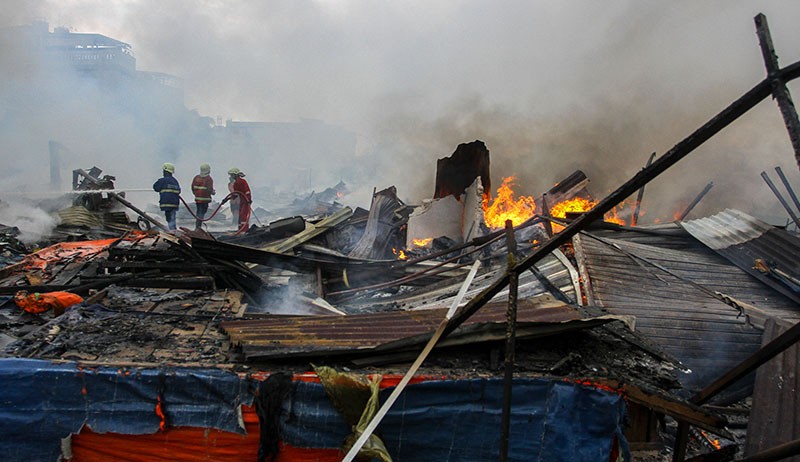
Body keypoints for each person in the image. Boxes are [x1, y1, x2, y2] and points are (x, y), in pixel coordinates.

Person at [153, 162, 181, 231]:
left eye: (163, 171)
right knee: (172, 218)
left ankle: (173, 232)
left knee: (169, 219)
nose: (163, 172)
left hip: (166, 204)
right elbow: (179, 191)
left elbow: (155, 187)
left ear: (166, 171)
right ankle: (173, 230)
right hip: (174, 204)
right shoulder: (175, 181)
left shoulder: (162, 180)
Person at [191, 163, 215, 229]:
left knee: (199, 213)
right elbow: (209, 189)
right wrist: (213, 192)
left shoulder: (196, 178)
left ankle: (197, 227)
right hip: (205, 200)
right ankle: (198, 228)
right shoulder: (208, 179)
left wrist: (196, 194)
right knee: (201, 214)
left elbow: (193, 188)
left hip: (197, 200)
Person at [228, 167, 252, 232]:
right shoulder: (235, 183)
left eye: (232, 175)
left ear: (235, 174)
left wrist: (248, 199)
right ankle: (240, 230)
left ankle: (244, 230)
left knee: (243, 216)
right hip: (241, 201)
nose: (231, 176)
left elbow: (247, 191)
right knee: (240, 216)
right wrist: (229, 198)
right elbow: (235, 194)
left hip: (246, 201)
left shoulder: (243, 181)